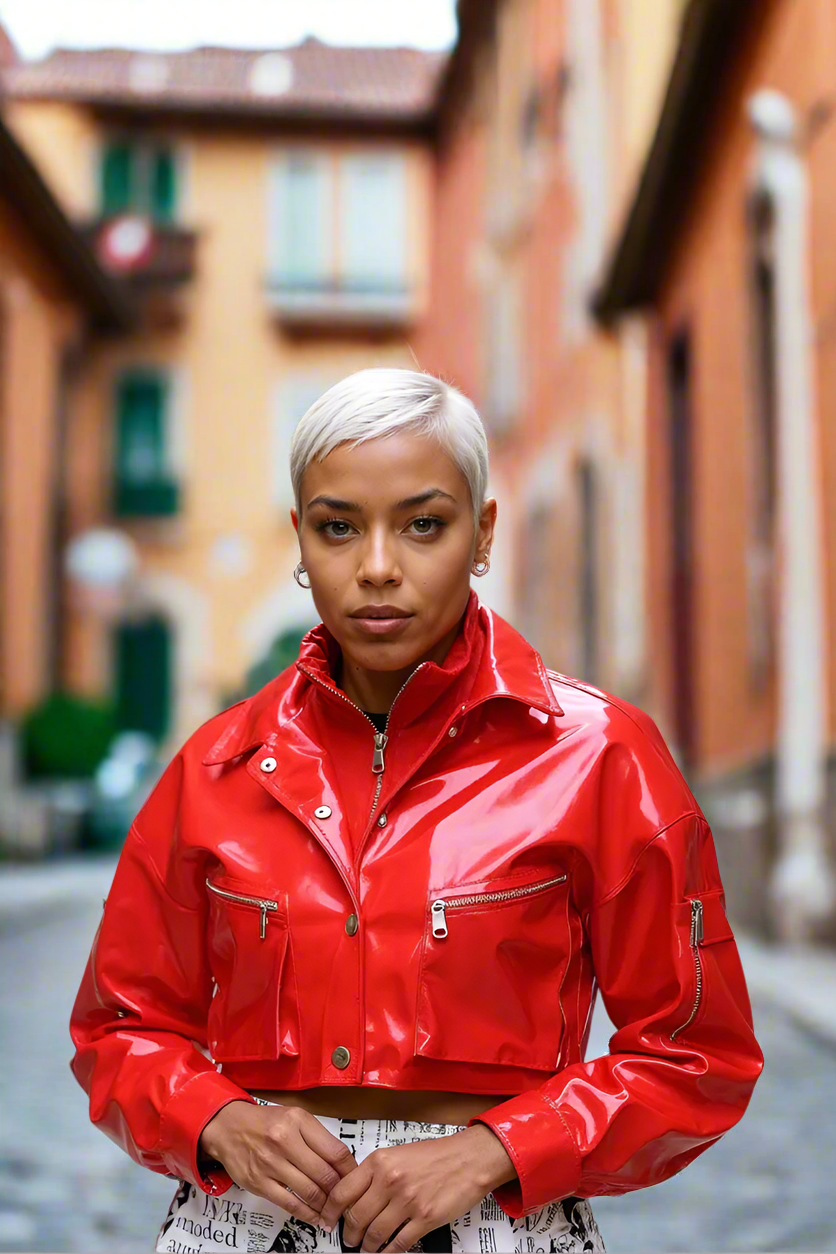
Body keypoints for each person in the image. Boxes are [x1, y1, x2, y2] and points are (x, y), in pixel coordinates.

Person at [70, 369, 763, 1254]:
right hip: (241, 1227)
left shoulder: (602, 757)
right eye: (338, 527)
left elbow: (699, 1057)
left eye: (423, 523)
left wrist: (495, 1148)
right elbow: (117, 1028)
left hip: (495, 1227)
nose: (377, 567)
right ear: (300, 538)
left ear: (483, 532)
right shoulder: (214, 770)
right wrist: (216, 1120)